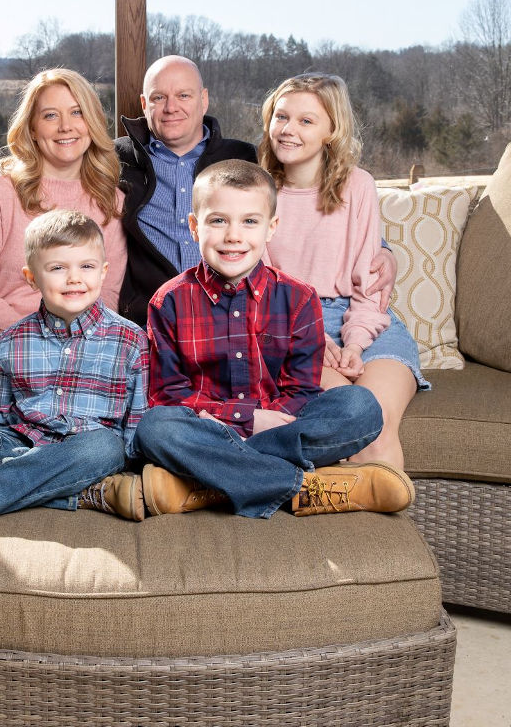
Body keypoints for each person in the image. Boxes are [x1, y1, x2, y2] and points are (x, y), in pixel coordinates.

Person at [131, 159, 415, 520]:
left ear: (271, 228)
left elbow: (301, 391)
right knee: (155, 430)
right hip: (209, 428)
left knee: (360, 406)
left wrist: (264, 424)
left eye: (250, 221)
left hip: (273, 428)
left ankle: (212, 484)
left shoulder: (298, 298)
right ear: (194, 227)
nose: (234, 235)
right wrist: (247, 420)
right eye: (218, 221)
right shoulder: (168, 301)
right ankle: (300, 488)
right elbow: (169, 397)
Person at [0, 209, 150, 527]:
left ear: (103, 272)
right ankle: (89, 493)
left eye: (86, 267)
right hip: (24, 441)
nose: (74, 278)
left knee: (106, 447)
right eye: (57, 268)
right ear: (31, 278)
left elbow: (136, 422)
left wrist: (126, 459)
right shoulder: (10, 341)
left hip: (90, 447)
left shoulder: (130, 339)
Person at [115, 55, 398, 327]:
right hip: (153, 314)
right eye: (158, 97)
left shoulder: (245, 161)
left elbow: (318, 205)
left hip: (233, 310)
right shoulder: (116, 160)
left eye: (184, 96)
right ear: (144, 103)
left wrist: (383, 251)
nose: (171, 107)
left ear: (204, 100)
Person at [260, 73, 430, 470]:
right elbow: (264, 292)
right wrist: (313, 340)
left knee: (380, 425)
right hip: (295, 329)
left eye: (306, 121)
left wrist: (354, 345)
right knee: (353, 424)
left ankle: (380, 531)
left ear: (331, 131)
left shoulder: (357, 186)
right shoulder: (258, 191)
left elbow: (370, 285)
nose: (288, 130)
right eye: (281, 117)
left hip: (367, 322)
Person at [0, 68, 128, 375]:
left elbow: (107, 296)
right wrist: (43, 343)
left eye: (77, 112)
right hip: (0, 340)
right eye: (50, 115)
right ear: (33, 128)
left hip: (82, 346)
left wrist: (75, 346)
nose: (66, 127)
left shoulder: (111, 200)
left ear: (91, 122)